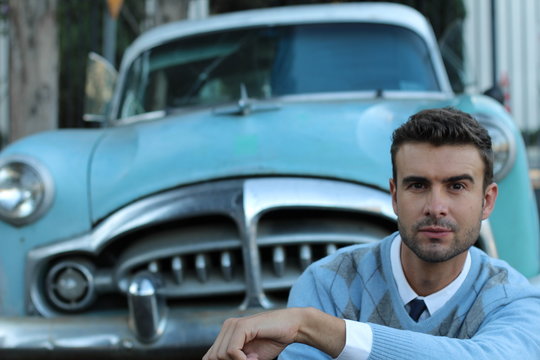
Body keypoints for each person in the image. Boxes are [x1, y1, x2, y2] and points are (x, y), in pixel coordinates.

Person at [203, 107, 540, 360]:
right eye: (418, 185)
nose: (436, 206)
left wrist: (316, 328)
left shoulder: (511, 297)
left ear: (487, 200)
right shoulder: (329, 284)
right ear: (394, 196)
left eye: (456, 186)